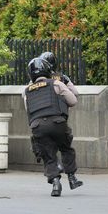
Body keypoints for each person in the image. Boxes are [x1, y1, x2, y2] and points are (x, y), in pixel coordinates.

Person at [22, 58, 83, 197]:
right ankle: (72, 178)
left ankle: (55, 183)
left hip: (38, 126)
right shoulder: (56, 83)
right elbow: (73, 101)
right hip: (57, 123)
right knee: (66, 148)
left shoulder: (26, 91)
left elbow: (28, 110)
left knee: (48, 155)